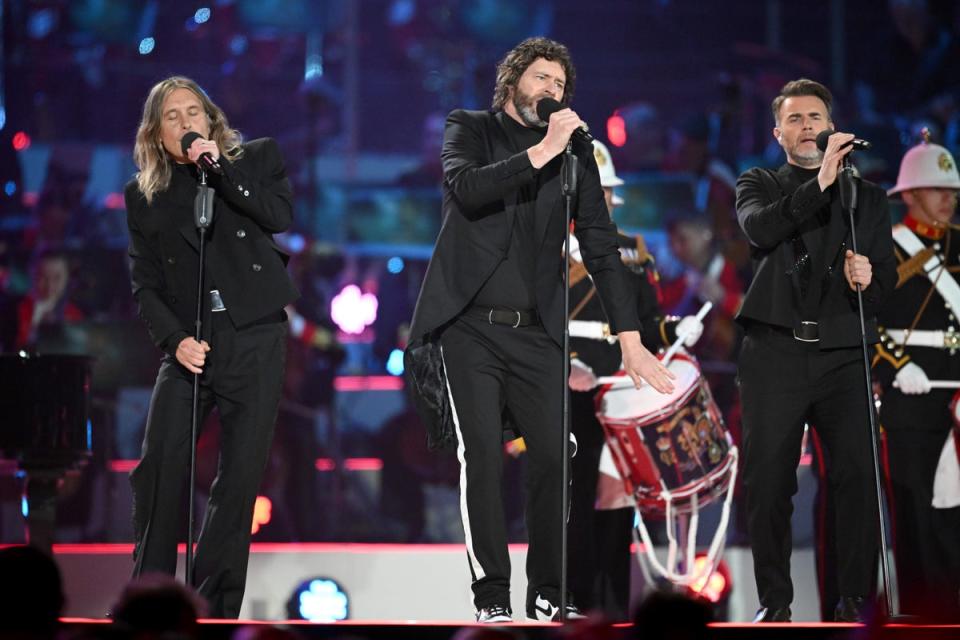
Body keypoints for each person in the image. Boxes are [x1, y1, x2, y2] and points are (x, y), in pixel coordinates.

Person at [404, 37, 674, 623]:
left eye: (560, 85)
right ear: (512, 83)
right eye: (542, 78)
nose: (551, 90)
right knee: (484, 456)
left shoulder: (575, 157)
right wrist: (543, 150)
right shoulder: (469, 127)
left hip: (538, 332)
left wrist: (630, 338)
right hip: (468, 326)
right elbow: (468, 188)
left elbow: (602, 248)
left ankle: (549, 593)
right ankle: (492, 598)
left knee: (555, 456)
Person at [124, 76, 299, 617]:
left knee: (240, 475)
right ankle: (148, 598)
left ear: (211, 119)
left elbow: (278, 216)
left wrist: (219, 168)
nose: (185, 123)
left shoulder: (255, 160)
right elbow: (145, 284)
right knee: (159, 465)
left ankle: (212, 609)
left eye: (193, 112)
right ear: (155, 134)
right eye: (171, 116)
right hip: (189, 346)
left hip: (255, 335)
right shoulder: (144, 196)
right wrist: (175, 340)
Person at [735, 78, 896, 622]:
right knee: (770, 482)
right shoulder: (758, 182)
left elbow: (885, 289)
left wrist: (868, 279)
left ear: (832, 125)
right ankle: (775, 603)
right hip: (773, 353)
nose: (808, 127)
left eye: (816, 117)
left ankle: (854, 601)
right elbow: (760, 229)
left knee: (856, 475)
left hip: (843, 354)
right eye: (796, 119)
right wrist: (821, 181)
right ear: (778, 132)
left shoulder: (868, 198)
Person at [565, 139, 702, 620]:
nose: (603, 200)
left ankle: (614, 610)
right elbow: (530, 325)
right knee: (573, 501)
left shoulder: (630, 254)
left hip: (619, 388)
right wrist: (565, 366)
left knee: (619, 501)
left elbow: (646, 322)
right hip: (568, 395)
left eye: (606, 192)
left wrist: (675, 329)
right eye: (594, 190)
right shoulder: (542, 251)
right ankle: (574, 602)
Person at [872, 134, 960, 621]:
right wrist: (897, 365)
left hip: (958, 394)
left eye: (951, 190)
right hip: (912, 400)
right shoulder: (884, 251)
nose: (948, 198)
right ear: (908, 194)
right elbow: (868, 324)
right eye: (935, 188)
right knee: (918, 515)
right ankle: (926, 618)